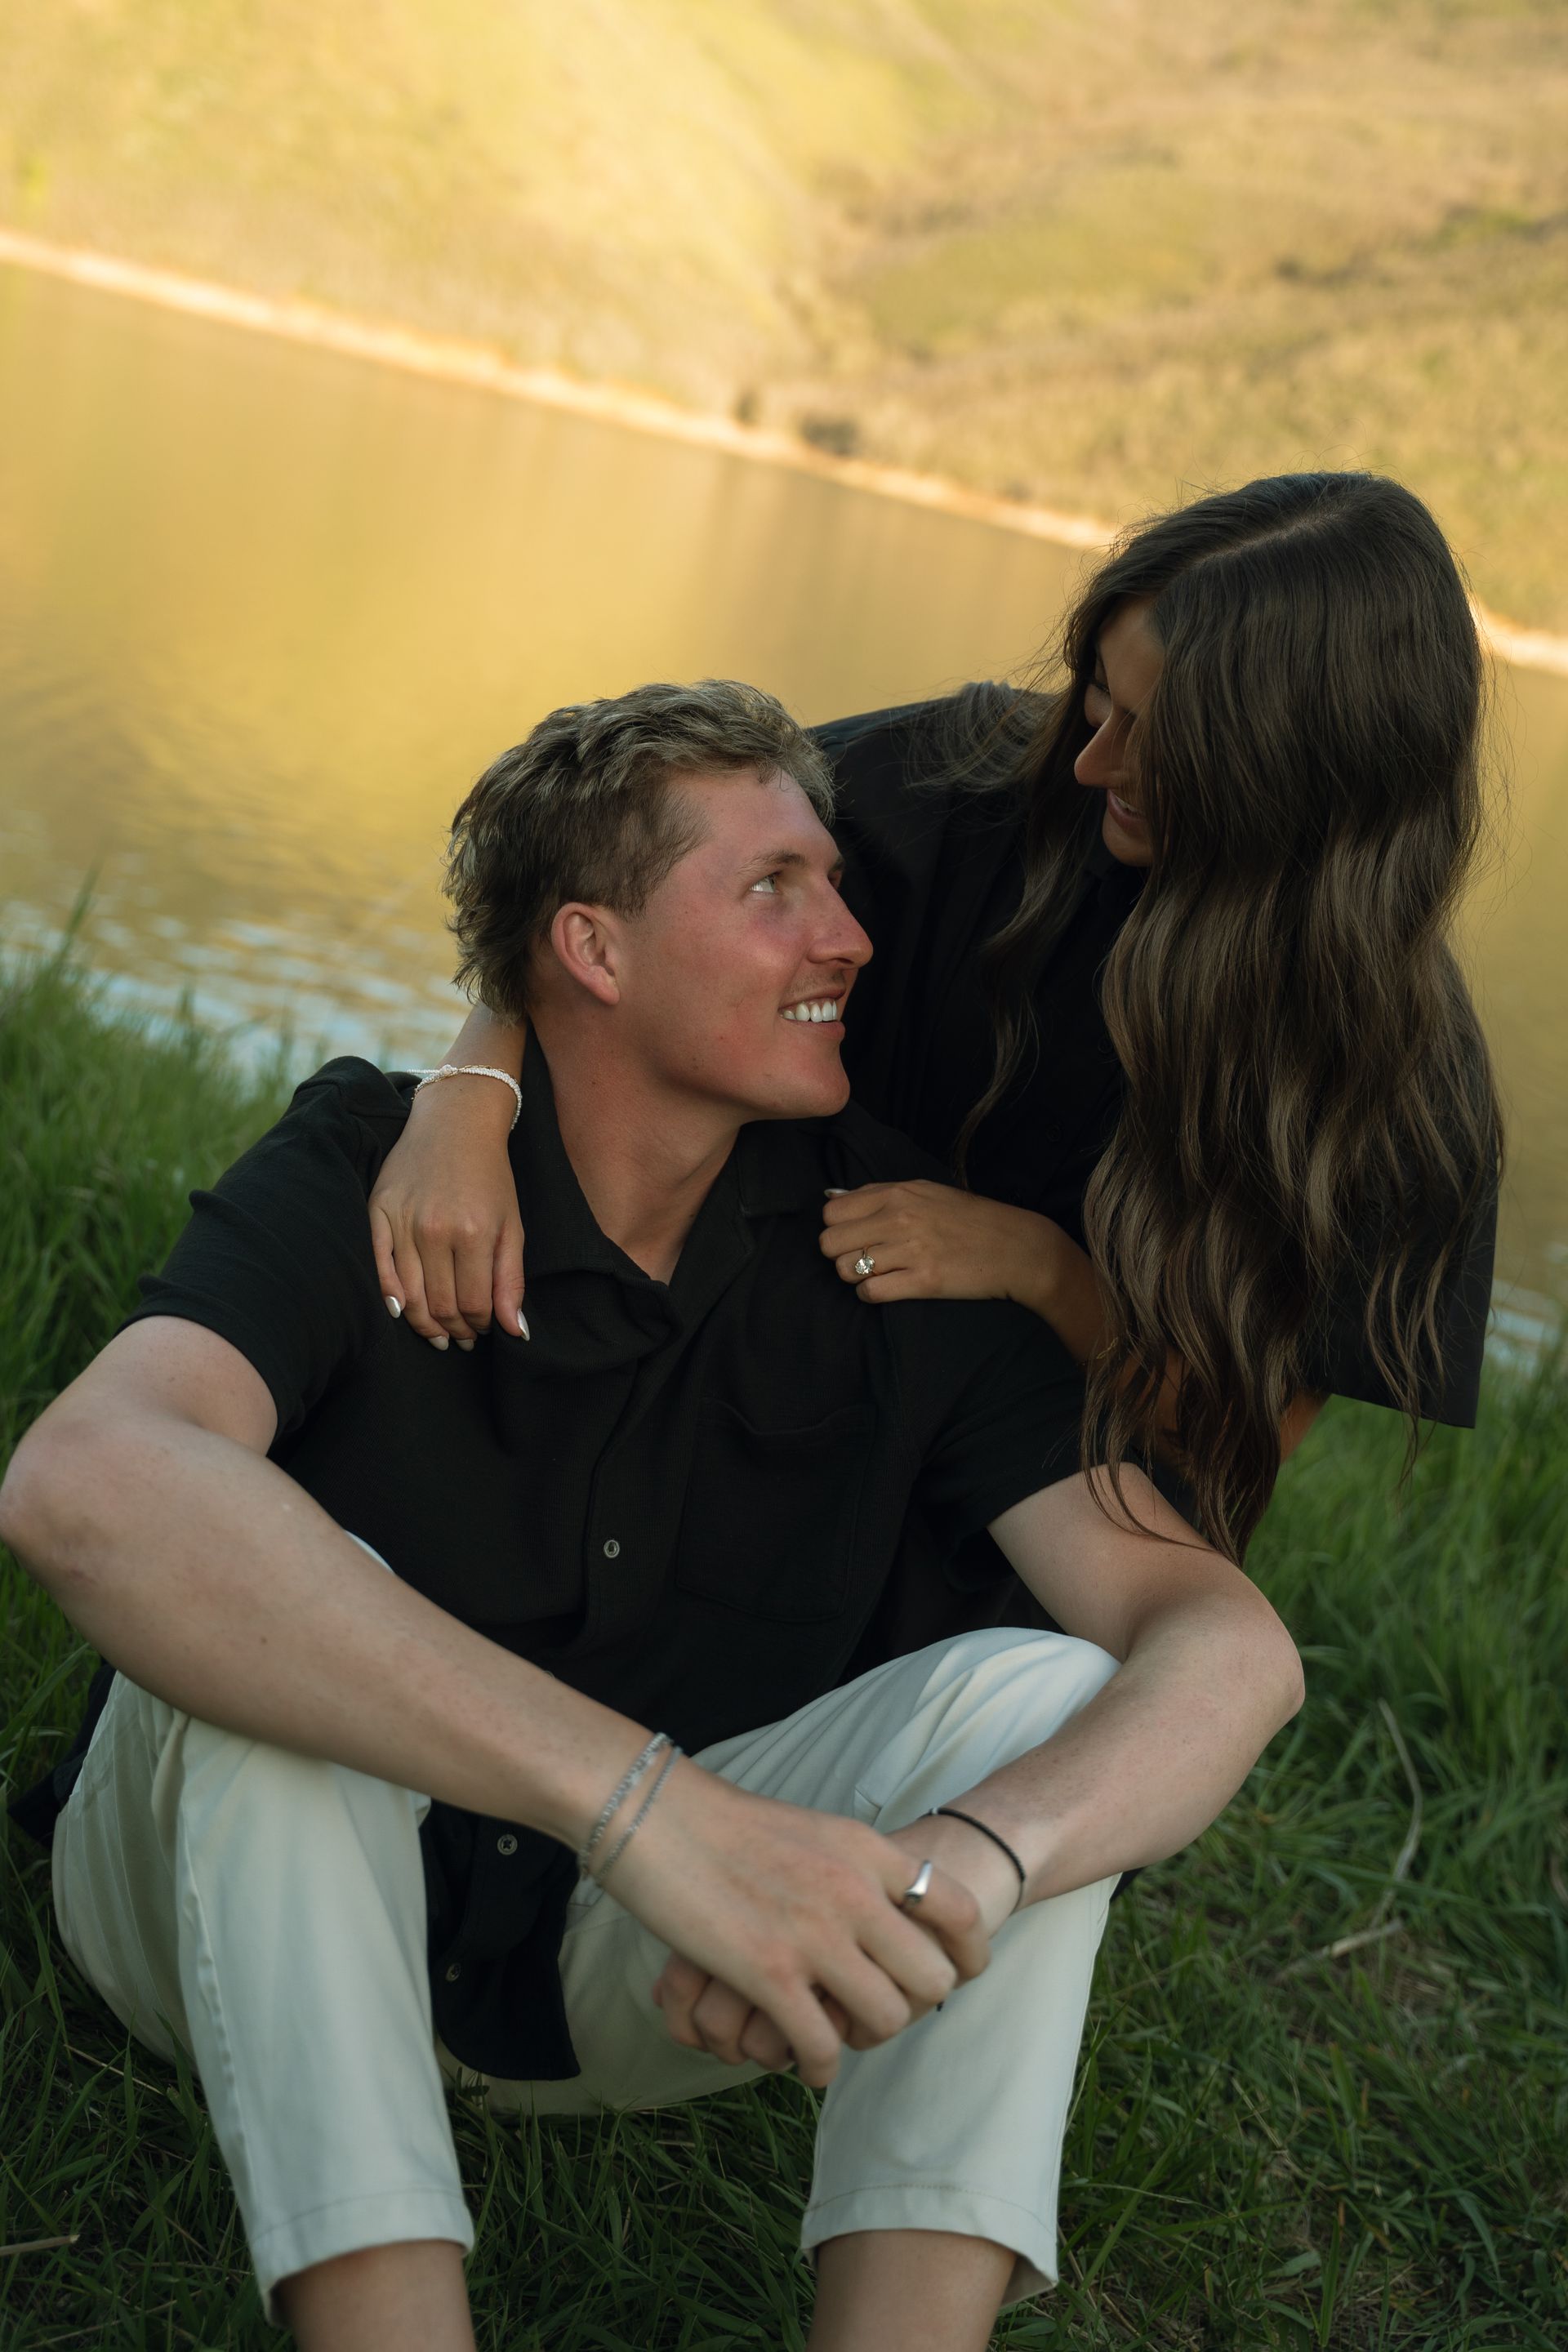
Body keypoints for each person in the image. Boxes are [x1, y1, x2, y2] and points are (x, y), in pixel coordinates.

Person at [2, 680, 1303, 2352]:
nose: (847, 935)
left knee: (1042, 1696)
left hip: (622, 1982)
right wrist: (647, 1811)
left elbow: (1228, 1649)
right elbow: (83, 1483)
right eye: (775, 889)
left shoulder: (897, 1249)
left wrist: (970, 1870)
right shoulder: (367, 1165)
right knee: (292, 1637)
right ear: (594, 953)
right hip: (208, 1926)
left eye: (835, 883)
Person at [372, 472, 1502, 1576]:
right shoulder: (951, 779)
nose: (1092, 760)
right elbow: (613, 893)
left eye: (1160, 740)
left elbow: (1230, 1442)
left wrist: (1043, 1269)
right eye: (1100, 700)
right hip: (721, 1422)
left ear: (1309, 774)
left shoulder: (1406, 1084)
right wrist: (468, 1095)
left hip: (1016, 1552)